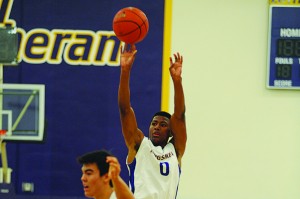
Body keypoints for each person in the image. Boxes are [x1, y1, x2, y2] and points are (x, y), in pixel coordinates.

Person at [118, 43, 187, 199]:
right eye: (154, 123)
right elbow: (125, 110)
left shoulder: (175, 151)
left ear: (170, 132)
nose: (156, 127)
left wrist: (177, 81)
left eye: (163, 125)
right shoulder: (139, 144)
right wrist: (125, 71)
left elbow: (180, 116)